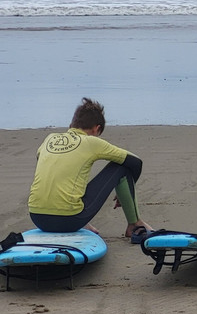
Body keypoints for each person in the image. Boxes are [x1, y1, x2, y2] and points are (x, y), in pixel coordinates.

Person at [27, 97, 151, 238]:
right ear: (96, 128)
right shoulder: (91, 142)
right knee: (122, 167)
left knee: (68, 175)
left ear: (72, 125)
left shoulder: (50, 139)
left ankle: (82, 221)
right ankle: (135, 224)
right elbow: (136, 162)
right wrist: (126, 193)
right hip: (70, 220)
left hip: (37, 218)